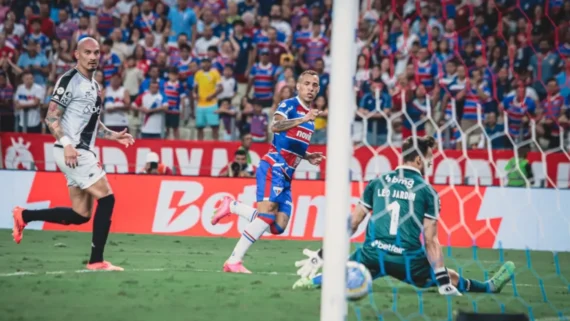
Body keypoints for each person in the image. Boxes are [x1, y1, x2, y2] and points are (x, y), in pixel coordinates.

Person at [291, 136, 515, 296]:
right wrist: (443, 281)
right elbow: (430, 240)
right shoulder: (427, 192)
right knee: (447, 275)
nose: (430, 163)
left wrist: (322, 254)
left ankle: (310, 281)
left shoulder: (377, 181)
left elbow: (353, 223)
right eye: (429, 159)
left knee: (336, 275)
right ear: (418, 160)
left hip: (373, 254)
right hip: (406, 260)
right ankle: (487, 287)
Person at [11, 37, 135, 272]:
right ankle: (96, 261)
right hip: (72, 151)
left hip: (77, 150)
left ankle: (24, 215)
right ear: (77, 55)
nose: (92, 57)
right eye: (87, 52)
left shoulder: (95, 87)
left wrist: (113, 135)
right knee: (107, 199)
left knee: (81, 214)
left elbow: (92, 123)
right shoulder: (69, 80)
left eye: (96, 53)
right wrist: (68, 144)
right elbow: (51, 117)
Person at [211, 70, 325, 273]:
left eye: (314, 85)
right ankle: (234, 261)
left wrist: (307, 156)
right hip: (274, 165)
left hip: (288, 175)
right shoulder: (289, 105)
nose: (310, 88)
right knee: (266, 216)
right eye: (306, 83)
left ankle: (233, 206)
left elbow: (292, 143)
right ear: (298, 86)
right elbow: (276, 126)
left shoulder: (311, 116)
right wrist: (301, 119)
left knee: (278, 226)